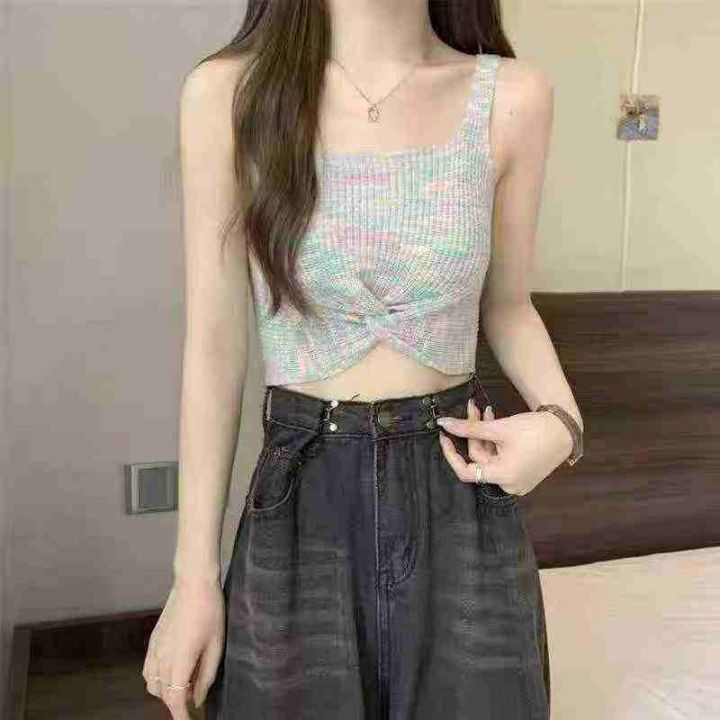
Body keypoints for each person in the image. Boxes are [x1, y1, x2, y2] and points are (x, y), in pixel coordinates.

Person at [142, 1, 584, 718]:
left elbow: (507, 305)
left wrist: (563, 424)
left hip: (457, 486)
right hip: (302, 493)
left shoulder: (513, 96)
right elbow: (215, 345)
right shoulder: (226, 94)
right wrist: (193, 578)